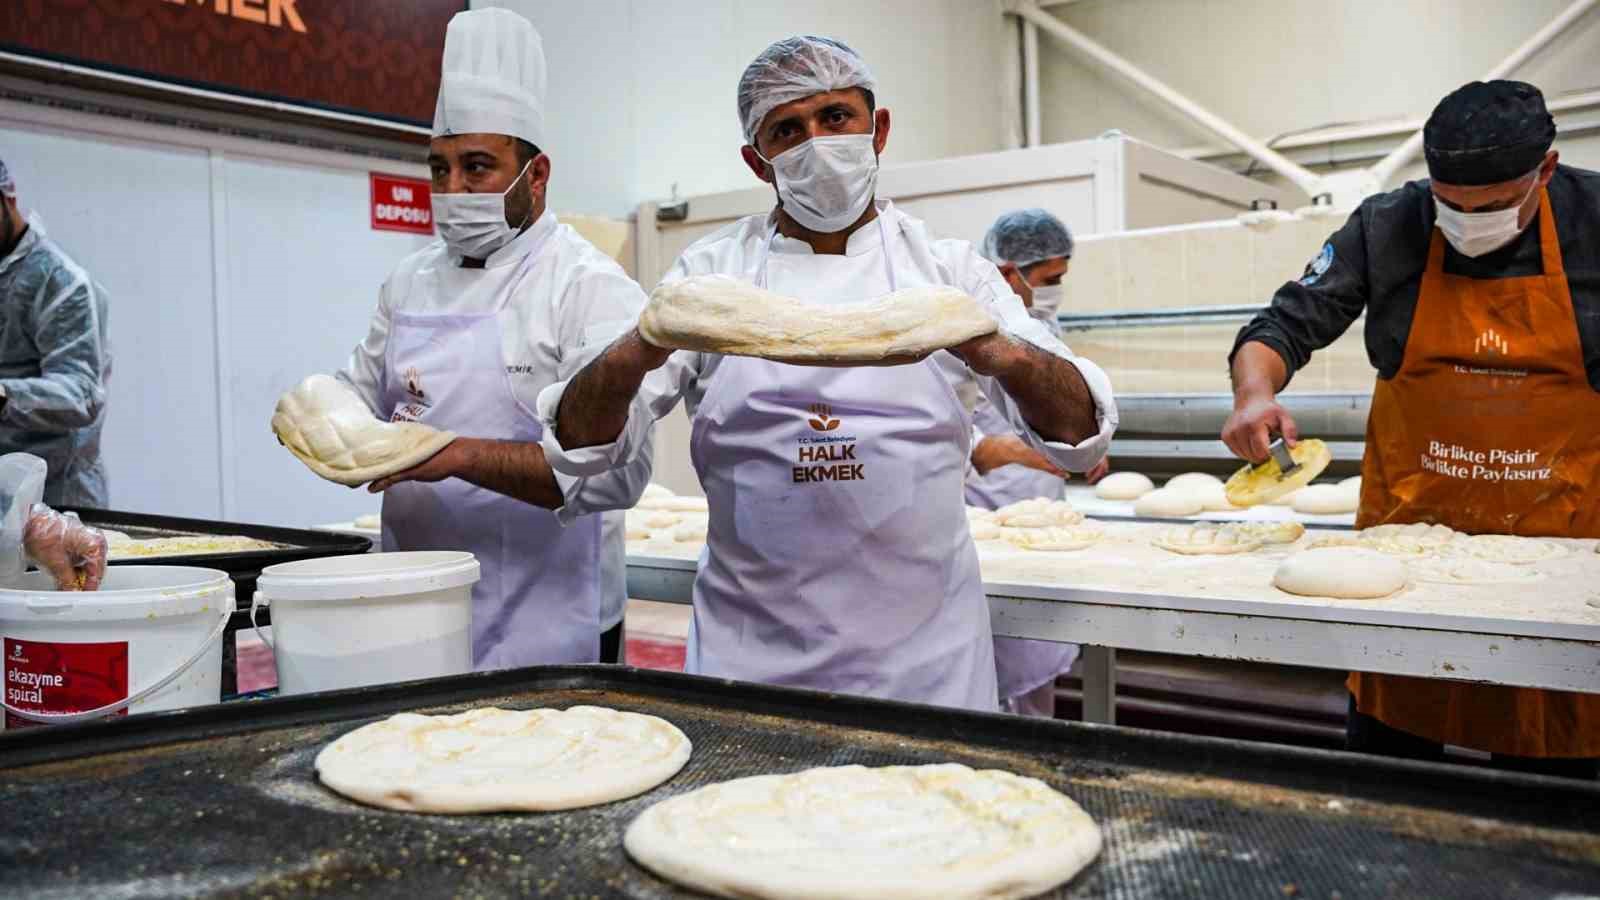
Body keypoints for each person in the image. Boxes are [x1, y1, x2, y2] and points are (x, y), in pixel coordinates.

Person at [536, 36, 1117, 711]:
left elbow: (1080, 434)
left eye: (836, 117)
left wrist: (996, 347)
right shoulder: (710, 276)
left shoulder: (949, 271)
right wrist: (637, 346)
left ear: (880, 129)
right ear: (759, 163)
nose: (816, 143)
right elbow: (581, 447)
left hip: (926, 671)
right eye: (787, 130)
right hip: (750, 666)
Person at [1223, 80, 1599, 778]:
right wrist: (1254, 393)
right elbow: (1282, 325)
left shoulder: (1595, 221)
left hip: (1561, 556)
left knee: (1560, 777)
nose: (1464, 221)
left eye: (1487, 207)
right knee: (1394, 760)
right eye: (1448, 204)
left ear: (1544, 171)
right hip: (1409, 549)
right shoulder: (1387, 225)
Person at [331, 8, 651, 670]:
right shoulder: (408, 281)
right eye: (439, 168)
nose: (452, 191)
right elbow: (355, 397)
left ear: (536, 176)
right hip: (416, 610)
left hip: (549, 617)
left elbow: (616, 474)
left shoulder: (589, 288)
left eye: (477, 167)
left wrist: (452, 454)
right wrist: (320, 415)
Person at [961, 209, 1094, 716]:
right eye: (1049, 279)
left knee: (1040, 666)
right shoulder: (966, 329)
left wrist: (1076, 444)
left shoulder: (1040, 321)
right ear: (1007, 269)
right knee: (992, 668)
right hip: (989, 517)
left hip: (1044, 515)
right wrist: (1033, 452)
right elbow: (963, 440)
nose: (1055, 290)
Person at [0, 157, 111, 508]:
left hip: (59, 501)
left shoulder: (60, 283)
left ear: (8, 199)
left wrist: (2, 394)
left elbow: (79, 395)